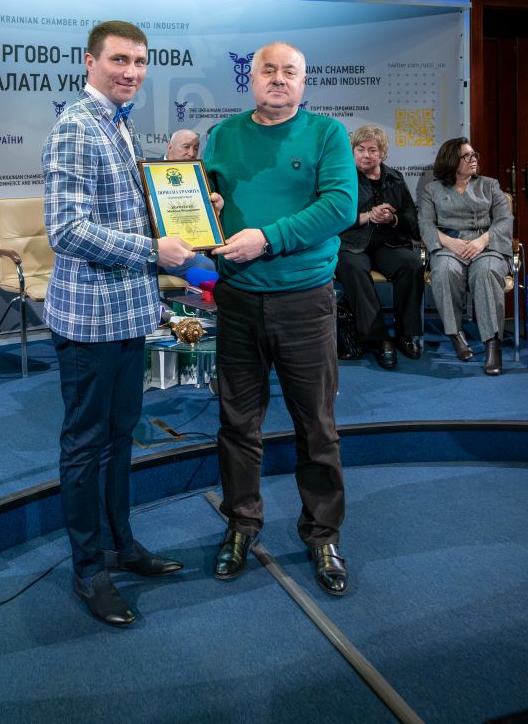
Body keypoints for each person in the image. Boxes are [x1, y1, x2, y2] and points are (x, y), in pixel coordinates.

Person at [41, 20, 195, 627]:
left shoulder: (119, 123)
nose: (131, 72)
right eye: (119, 60)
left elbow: (126, 212)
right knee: (85, 446)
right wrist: (153, 250)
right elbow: (67, 230)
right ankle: (88, 569)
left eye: (139, 61)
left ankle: (119, 545)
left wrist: (187, 215)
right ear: (90, 62)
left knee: (121, 436)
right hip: (88, 320)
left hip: (129, 311)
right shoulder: (77, 125)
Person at [203, 42, 357, 596]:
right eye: (268, 69)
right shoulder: (222, 135)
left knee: (316, 426)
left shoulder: (327, 134)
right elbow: (206, 197)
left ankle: (322, 535)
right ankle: (240, 526)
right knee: (237, 424)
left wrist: (267, 239)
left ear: (303, 82)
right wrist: (209, 207)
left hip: (304, 302)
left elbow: (340, 207)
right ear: (251, 78)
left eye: (289, 71)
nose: (278, 78)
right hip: (238, 300)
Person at [418, 137, 513, 376]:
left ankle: (493, 344)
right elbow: (425, 224)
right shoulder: (432, 190)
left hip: (486, 245)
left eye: (474, 155)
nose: (473, 160)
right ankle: (455, 333)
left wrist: (482, 241)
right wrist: (449, 242)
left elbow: (504, 220)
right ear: (452, 161)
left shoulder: (489, 185)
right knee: (444, 271)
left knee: (486, 272)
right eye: (467, 156)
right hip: (450, 244)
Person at [335, 125, 424, 369]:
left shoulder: (395, 178)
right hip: (351, 244)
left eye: (372, 150)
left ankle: (407, 334)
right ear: (352, 151)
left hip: (388, 242)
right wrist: (367, 216)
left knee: (411, 264)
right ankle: (380, 339)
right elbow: (333, 215)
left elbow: (411, 219)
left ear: (382, 153)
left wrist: (392, 218)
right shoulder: (342, 178)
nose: (366, 155)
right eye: (360, 149)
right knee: (354, 269)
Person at [160, 128, 216, 280]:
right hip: (159, 247)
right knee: (206, 268)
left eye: (196, 148)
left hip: (196, 246)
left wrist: (216, 209)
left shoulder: (203, 178)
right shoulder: (145, 172)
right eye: (186, 147)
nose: (191, 153)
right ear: (170, 146)